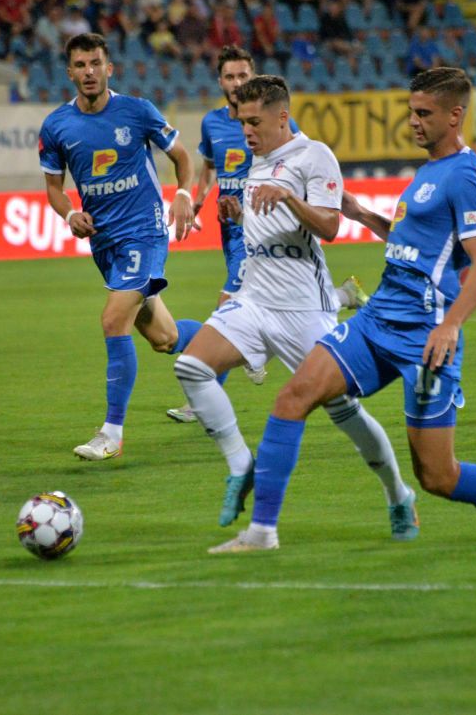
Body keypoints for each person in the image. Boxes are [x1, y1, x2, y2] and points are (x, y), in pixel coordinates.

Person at [210, 67, 476, 553]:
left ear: (455, 116)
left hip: (425, 335)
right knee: (292, 398)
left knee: (437, 475)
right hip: (377, 320)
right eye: (411, 112)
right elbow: (411, 244)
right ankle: (262, 532)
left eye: (424, 114)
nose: (412, 122)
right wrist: (362, 214)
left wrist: (451, 325)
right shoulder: (428, 171)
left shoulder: (465, 173)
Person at [174, 74, 418, 538]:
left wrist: (288, 195)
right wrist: (239, 213)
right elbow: (272, 224)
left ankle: (397, 494)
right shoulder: (257, 161)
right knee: (191, 367)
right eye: (242, 122)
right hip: (254, 298)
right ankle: (240, 464)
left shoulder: (313, 155)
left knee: (343, 411)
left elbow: (328, 225)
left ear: (282, 117)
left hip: (305, 309)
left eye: (254, 122)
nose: (246, 131)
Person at [165, 45, 369, 424]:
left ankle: (218, 379)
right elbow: (209, 167)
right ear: (221, 82)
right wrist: (204, 201)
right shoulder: (215, 125)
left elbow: (307, 177)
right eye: (230, 76)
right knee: (232, 318)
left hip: (281, 254)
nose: (237, 82)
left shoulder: (285, 138)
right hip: (240, 230)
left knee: (226, 308)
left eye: (244, 76)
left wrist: (325, 202)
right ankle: (336, 299)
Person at [40, 32, 199, 460]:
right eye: (80, 65)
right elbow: (54, 188)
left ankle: (111, 433)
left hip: (144, 233)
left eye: (96, 63)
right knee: (164, 338)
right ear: (69, 71)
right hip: (104, 242)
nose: (89, 72)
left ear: (110, 69)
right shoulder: (57, 125)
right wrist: (69, 214)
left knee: (113, 320)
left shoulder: (137, 111)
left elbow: (182, 156)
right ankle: (232, 349)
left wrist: (183, 195)